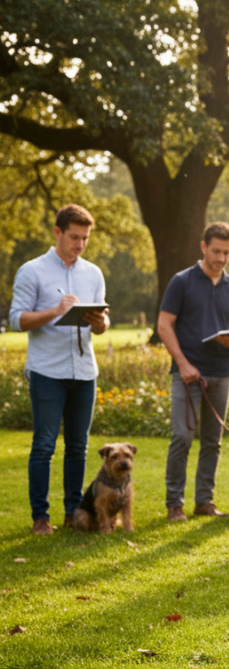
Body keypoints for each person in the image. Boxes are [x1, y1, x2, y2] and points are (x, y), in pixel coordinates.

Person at [9, 204, 110, 535]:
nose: (80, 244)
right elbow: (17, 319)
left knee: (78, 446)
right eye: (74, 237)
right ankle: (41, 517)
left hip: (84, 371)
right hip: (47, 372)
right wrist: (55, 310)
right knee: (44, 445)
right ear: (57, 232)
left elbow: (102, 326)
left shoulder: (93, 273)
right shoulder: (32, 270)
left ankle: (72, 513)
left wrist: (101, 322)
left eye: (85, 238)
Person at [157, 222, 229, 521]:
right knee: (182, 437)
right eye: (216, 251)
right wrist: (183, 364)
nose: (221, 258)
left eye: (226, 253)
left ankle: (204, 502)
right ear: (203, 247)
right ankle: (174, 504)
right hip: (187, 373)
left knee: (213, 440)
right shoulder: (182, 282)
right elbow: (164, 325)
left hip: (221, 372)